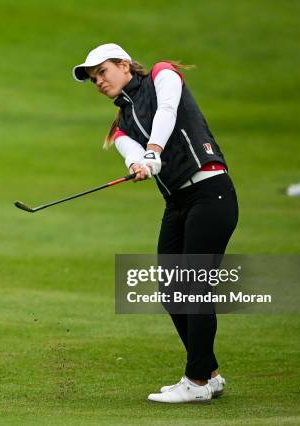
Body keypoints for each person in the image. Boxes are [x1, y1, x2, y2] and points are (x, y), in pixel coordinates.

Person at [72, 43, 239, 404]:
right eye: (93, 78)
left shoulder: (163, 74)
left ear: (125, 65)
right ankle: (209, 376)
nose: (99, 82)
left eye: (103, 72)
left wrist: (154, 151)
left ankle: (195, 381)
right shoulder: (121, 125)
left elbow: (167, 111)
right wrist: (139, 163)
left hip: (211, 193)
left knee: (194, 289)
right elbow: (129, 150)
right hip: (178, 203)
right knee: (170, 291)